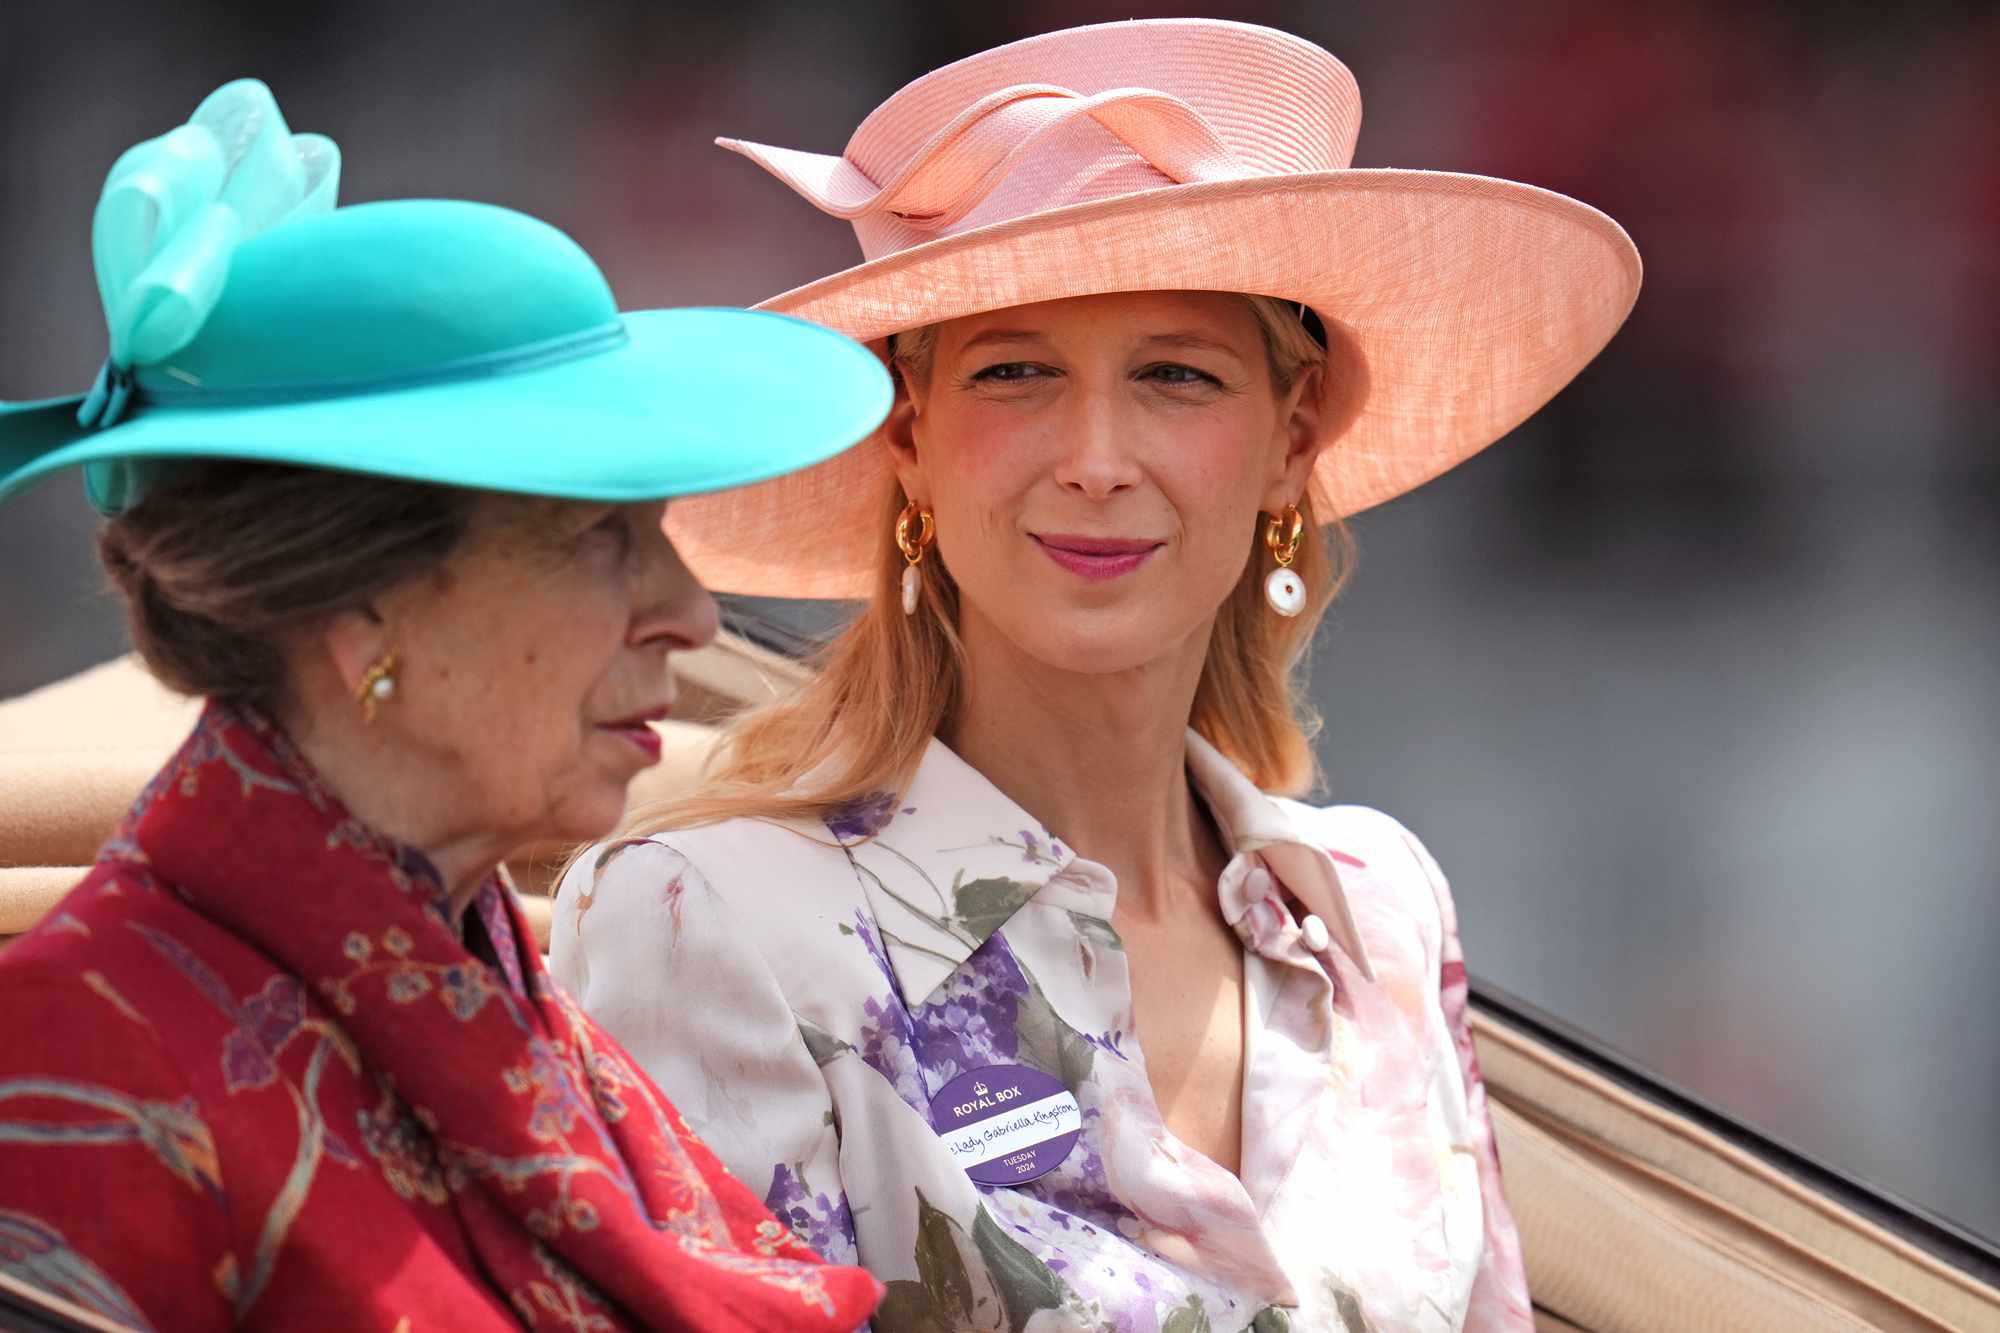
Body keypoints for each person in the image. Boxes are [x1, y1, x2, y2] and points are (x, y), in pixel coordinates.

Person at [553, 19, 1640, 1333]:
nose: (1097, 457)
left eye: (1176, 375)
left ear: (1292, 440)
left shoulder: (1382, 914)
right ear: (913, 434)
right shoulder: (709, 923)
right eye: (1017, 372)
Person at [0, 80, 891, 1330]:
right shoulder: (69, 1056)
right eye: (597, 537)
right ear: (361, 607)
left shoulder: (515, 1014)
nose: (689, 614)